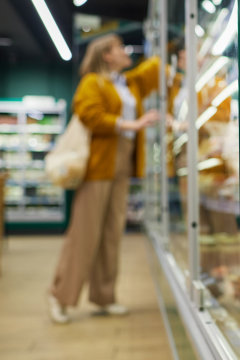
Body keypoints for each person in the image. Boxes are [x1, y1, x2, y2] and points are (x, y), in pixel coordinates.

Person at [47, 34, 162, 324]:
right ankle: (59, 295)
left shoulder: (127, 84)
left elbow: (156, 70)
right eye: (120, 48)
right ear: (106, 55)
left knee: (112, 233)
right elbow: (89, 115)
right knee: (84, 234)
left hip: (121, 165)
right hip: (98, 167)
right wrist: (130, 123)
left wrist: (179, 52)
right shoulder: (93, 82)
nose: (126, 51)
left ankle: (104, 296)